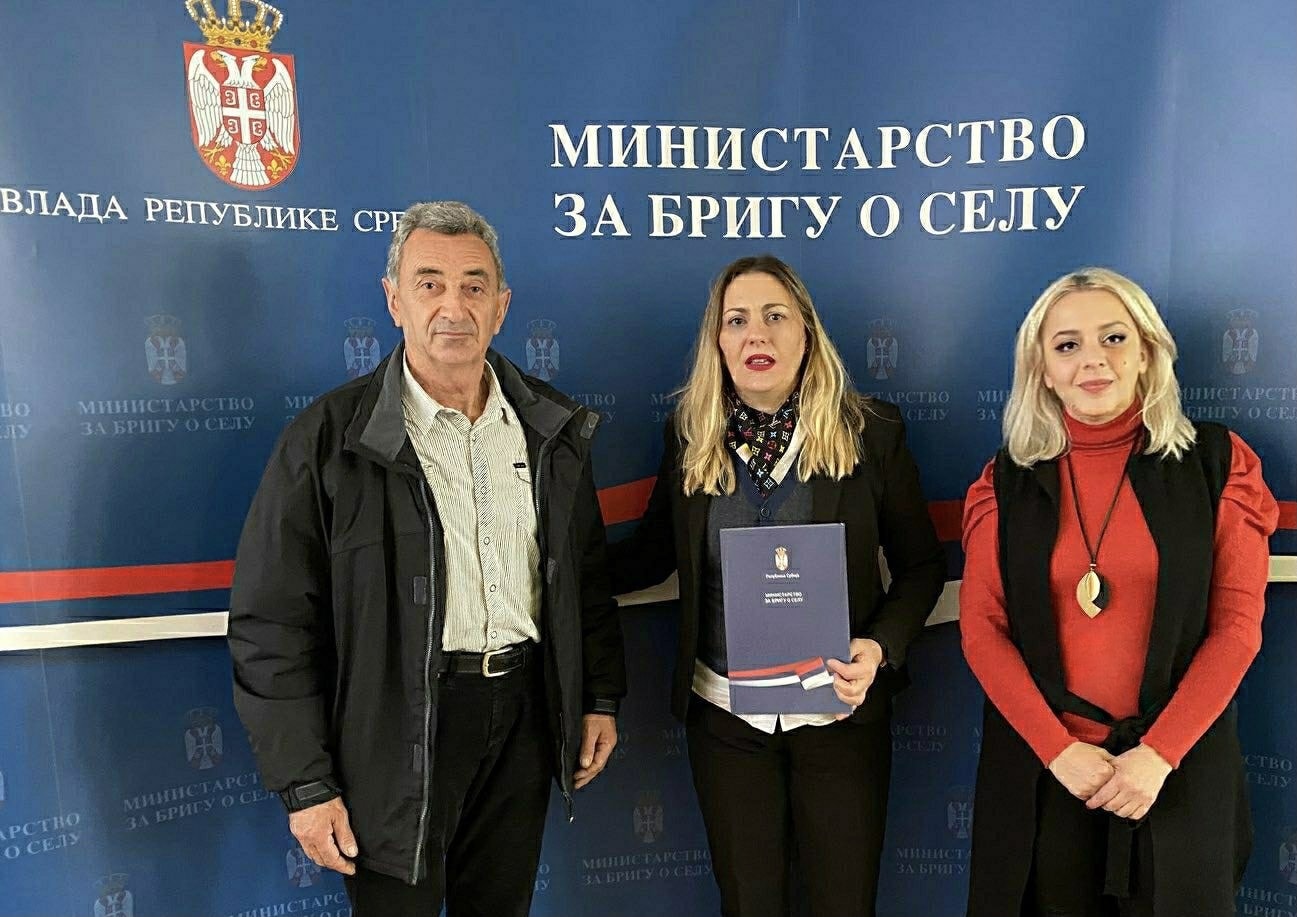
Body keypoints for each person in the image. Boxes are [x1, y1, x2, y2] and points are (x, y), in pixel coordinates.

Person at [227, 201, 626, 917]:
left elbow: (583, 579)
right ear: (394, 301)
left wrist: (596, 696)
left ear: (501, 306)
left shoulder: (551, 429)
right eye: (429, 283)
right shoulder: (327, 440)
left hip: (524, 716)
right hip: (394, 730)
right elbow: (273, 624)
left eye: (474, 286)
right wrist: (306, 783)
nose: (453, 307)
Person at [610, 255, 945, 917]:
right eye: (736, 320)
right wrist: (551, 567)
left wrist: (878, 648)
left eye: (774, 316)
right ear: (717, 340)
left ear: (806, 333)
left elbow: (921, 567)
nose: (755, 334)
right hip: (727, 721)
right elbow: (650, 558)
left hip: (840, 715)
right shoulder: (689, 435)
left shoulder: (870, 432)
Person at [959, 268, 1278, 917]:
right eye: (1067, 345)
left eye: (1113, 337)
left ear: (1147, 352)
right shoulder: (1005, 482)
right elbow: (982, 631)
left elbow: (1236, 628)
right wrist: (1059, 751)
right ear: (1042, 370)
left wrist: (1156, 755)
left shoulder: (1218, 463)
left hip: (1175, 768)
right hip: (1048, 773)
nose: (1092, 360)